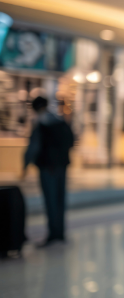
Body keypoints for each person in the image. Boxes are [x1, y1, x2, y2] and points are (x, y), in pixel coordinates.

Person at [22, 96, 74, 247]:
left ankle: (53, 234)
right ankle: (60, 233)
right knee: (60, 199)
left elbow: (34, 146)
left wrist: (25, 164)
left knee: (50, 200)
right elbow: (71, 140)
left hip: (47, 167)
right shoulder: (60, 120)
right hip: (62, 166)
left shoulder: (40, 123)